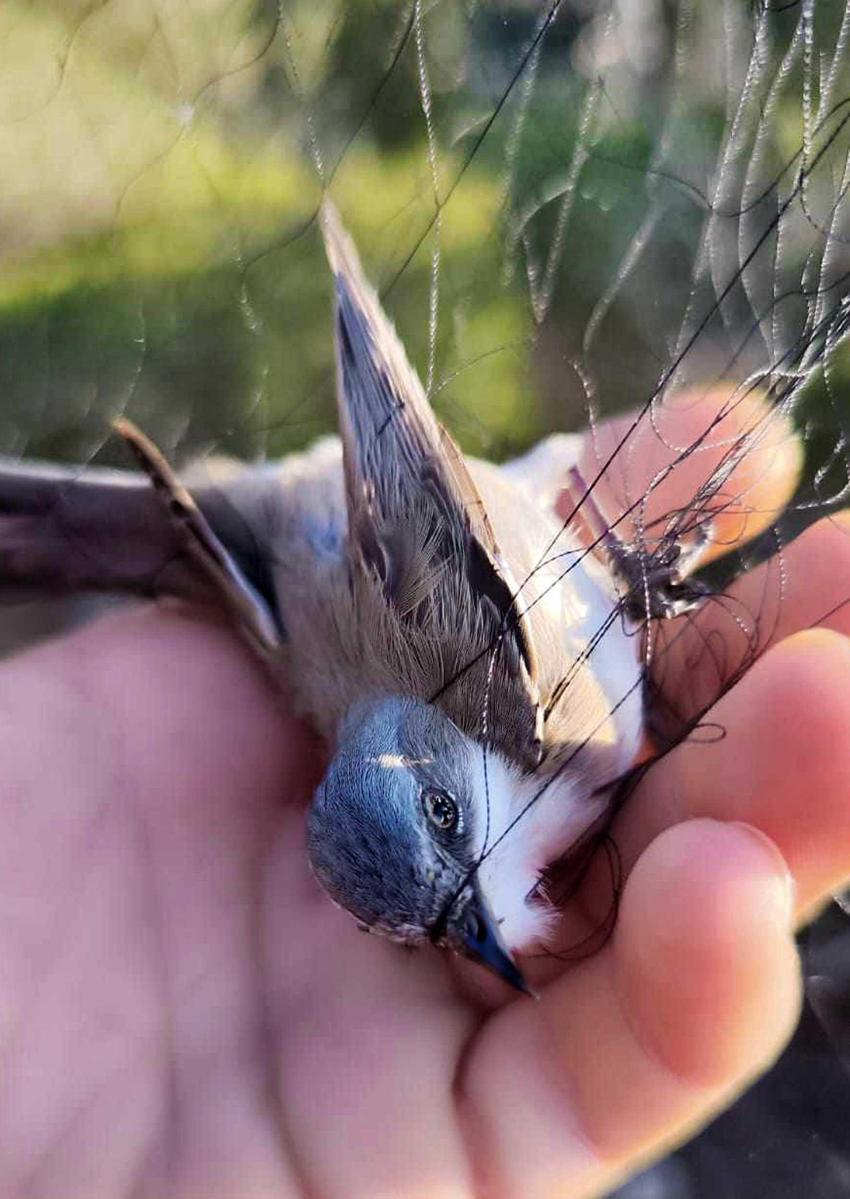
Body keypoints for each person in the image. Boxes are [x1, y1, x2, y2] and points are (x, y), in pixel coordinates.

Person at [0, 390, 848, 1199]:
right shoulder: (533, 763)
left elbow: (419, 472)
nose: (477, 922)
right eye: (437, 930)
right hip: (294, 571)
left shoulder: (526, 706)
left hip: (368, 516)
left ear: (448, 779)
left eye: (447, 823)